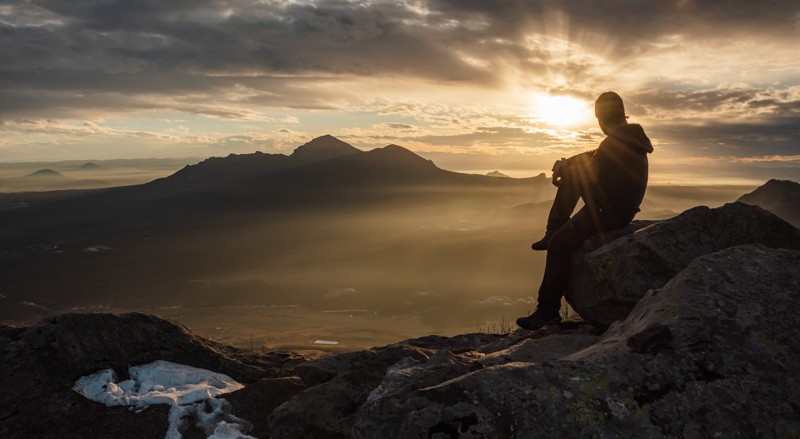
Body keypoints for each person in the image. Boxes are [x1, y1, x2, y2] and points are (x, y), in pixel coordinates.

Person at [516, 91, 654, 331]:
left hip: (608, 212)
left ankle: (547, 311)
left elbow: (590, 172)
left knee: (560, 244)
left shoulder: (615, 142)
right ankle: (553, 229)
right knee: (575, 170)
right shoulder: (628, 138)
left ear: (600, 118)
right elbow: (595, 157)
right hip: (617, 207)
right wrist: (570, 162)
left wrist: (563, 168)